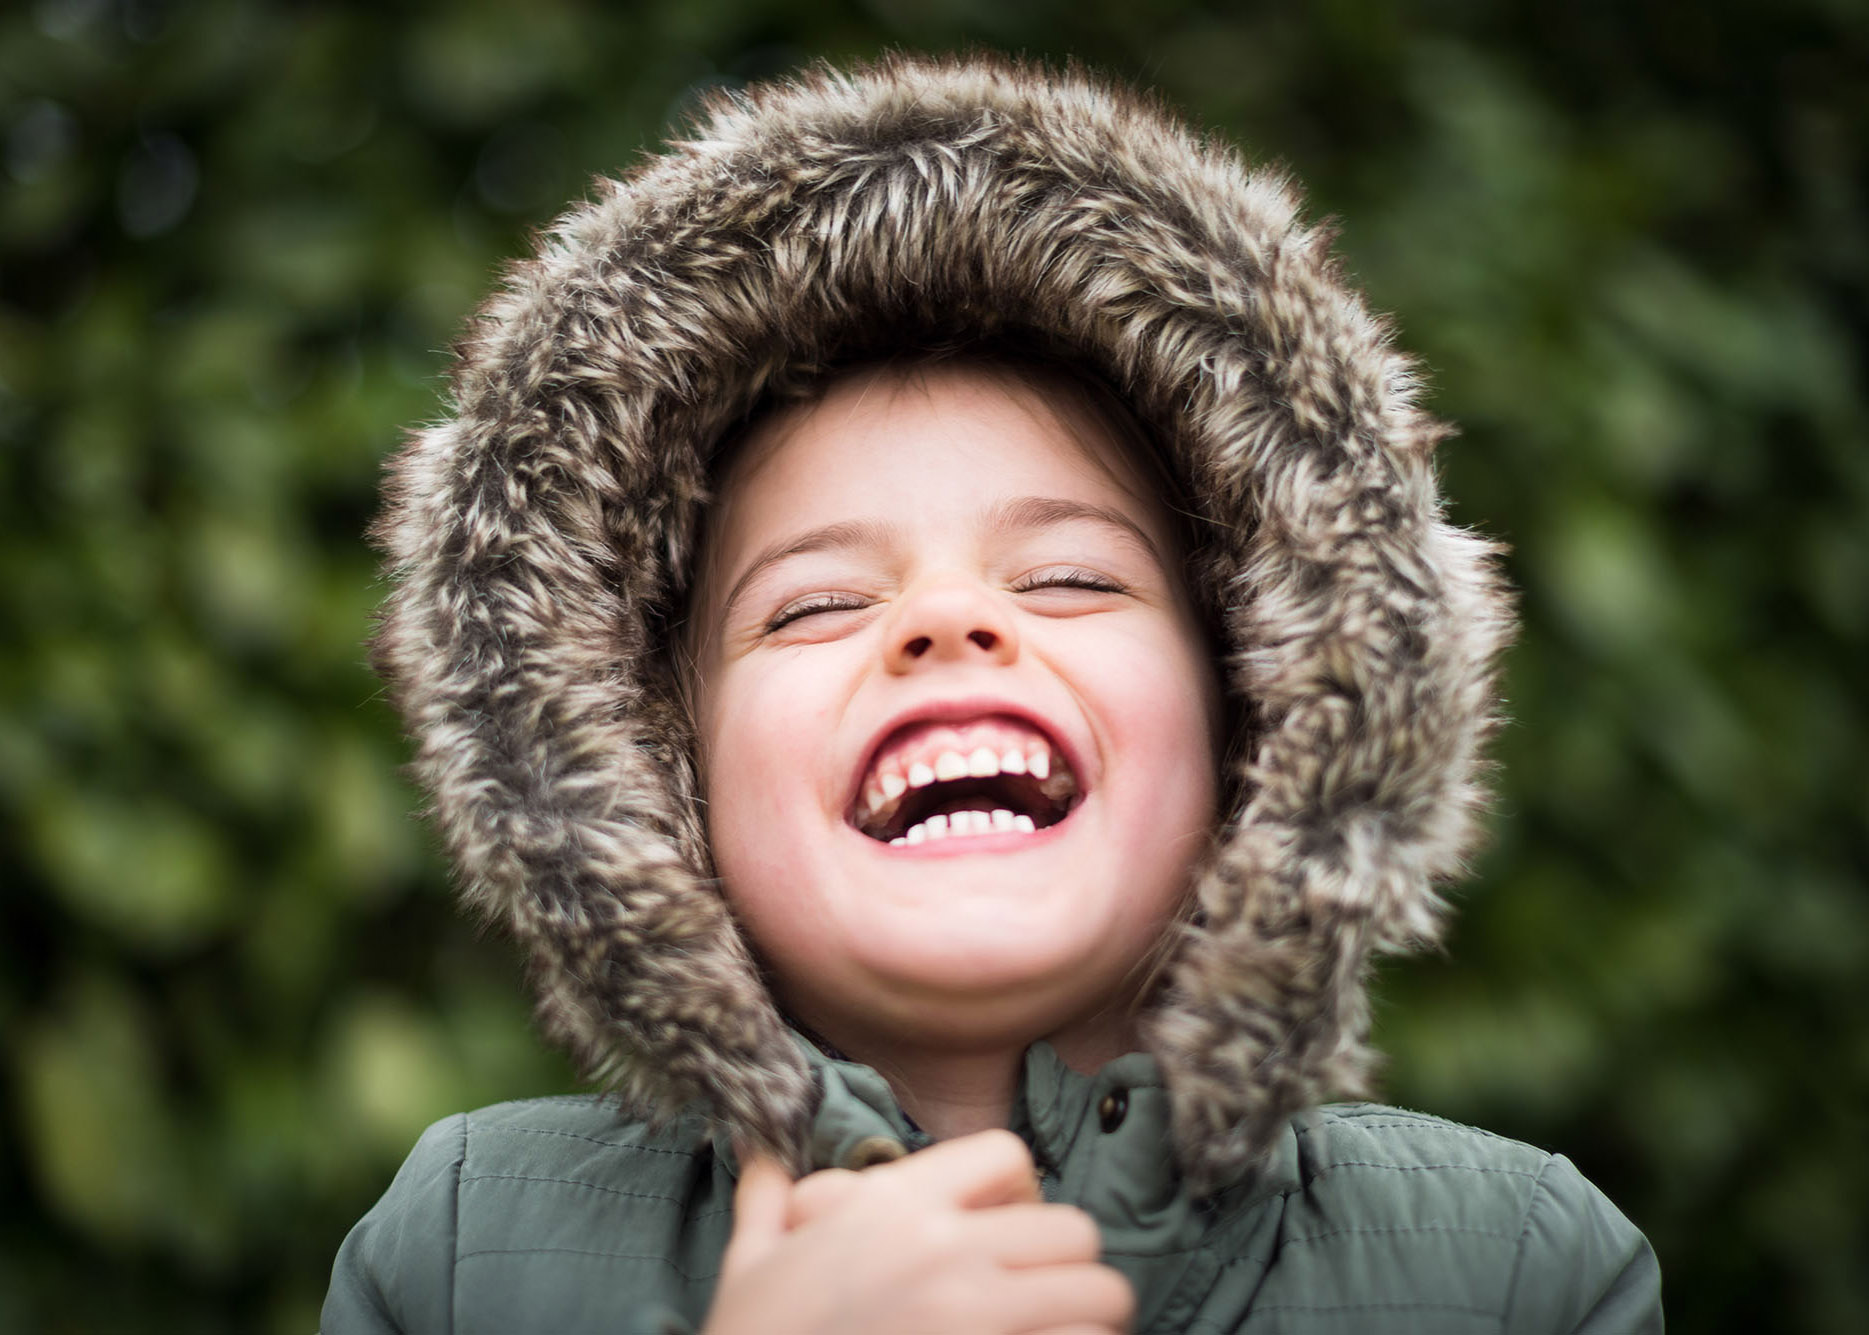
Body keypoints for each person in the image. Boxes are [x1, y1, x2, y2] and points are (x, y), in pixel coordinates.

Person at [321, 54, 1663, 1334]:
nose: (946, 619)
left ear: (1255, 726)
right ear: (654, 773)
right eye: (814, 604)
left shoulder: (1515, 1267)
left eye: (1072, 579)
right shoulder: (453, 1251)